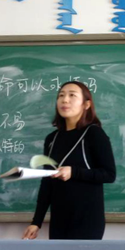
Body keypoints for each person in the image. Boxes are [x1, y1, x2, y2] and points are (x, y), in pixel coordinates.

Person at [22, 81, 116, 240]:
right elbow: (47, 183)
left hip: (87, 220)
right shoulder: (52, 139)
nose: (65, 100)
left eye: (72, 95)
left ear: (86, 104)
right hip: (59, 220)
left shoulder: (94, 134)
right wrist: (36, 222)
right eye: (61, 96)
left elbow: (109, 174)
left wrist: (74, 172)